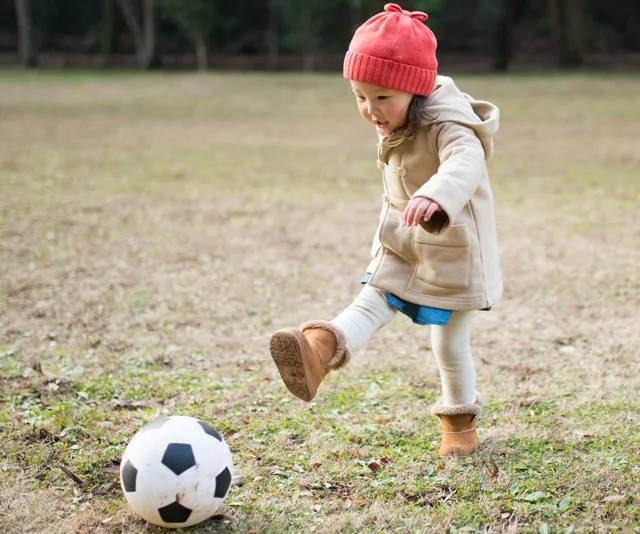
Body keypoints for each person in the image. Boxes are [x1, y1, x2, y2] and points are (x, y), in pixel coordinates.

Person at [269, 3, 502, 458]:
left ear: (415, 90)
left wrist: (438, 194)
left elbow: (466, 161)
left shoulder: (450, 122)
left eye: (381, 97)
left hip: (455, 249)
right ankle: (317, 353)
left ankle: (459, 423)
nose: (370, 109)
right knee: (372, 298)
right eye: (359, 95)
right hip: (402, 241)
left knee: (449, 340)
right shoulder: (399, 115)